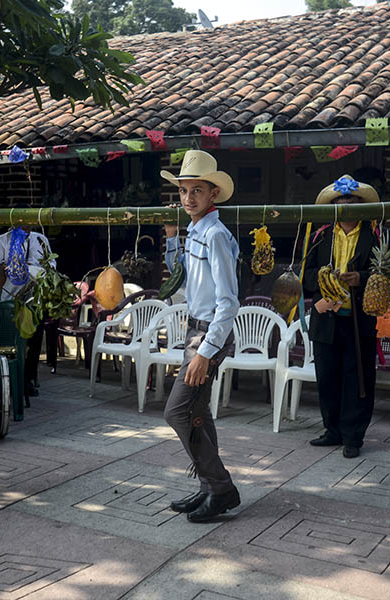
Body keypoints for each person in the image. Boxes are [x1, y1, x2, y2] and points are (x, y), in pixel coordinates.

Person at [161, 150, 241, 523]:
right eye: (183, 191)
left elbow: (228, 303)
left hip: (209, 334)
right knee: (196, 412)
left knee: (177, 411)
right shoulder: (196, 230)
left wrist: (204, 352)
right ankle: (209, 488)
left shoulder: (217, 236)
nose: (189, 198)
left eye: (197, 190)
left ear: (213, 194)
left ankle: (221, 487)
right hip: (196, 328)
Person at [302, 176, 380, 459]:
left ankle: (353, 436)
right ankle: (331, 430)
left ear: (361, 206)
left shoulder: (376, 236)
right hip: (327, 315)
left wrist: (360, 277)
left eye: (351, 203)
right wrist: (324, 280)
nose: (346, 208)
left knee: (357, 378)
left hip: (360, 318)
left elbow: (387, 274)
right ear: (333, 207)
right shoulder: (320, 235)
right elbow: (305, 275)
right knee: (327, 376)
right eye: (340, 204)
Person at [0, 221, 57, 396]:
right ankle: (10, 378)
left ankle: (28, 380)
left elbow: (51, 267)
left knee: (33, 341)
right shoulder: (1, 241)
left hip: (34, 299)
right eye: (21, 223)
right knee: (11, 340)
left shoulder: (40, 240)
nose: (26, 227)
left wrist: (32, 270)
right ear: (12, 222)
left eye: (29, 223)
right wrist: (6, 268)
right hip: (9, 299)